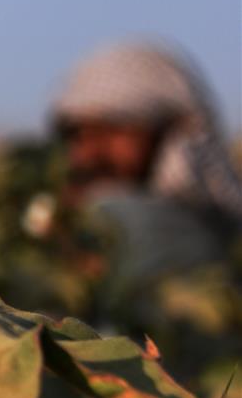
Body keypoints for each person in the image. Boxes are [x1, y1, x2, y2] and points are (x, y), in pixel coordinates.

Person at [51, 42, 241, 344]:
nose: (85, 156)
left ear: (171, 130)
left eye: (109, 131)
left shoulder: (133, 218)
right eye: (78, 136)